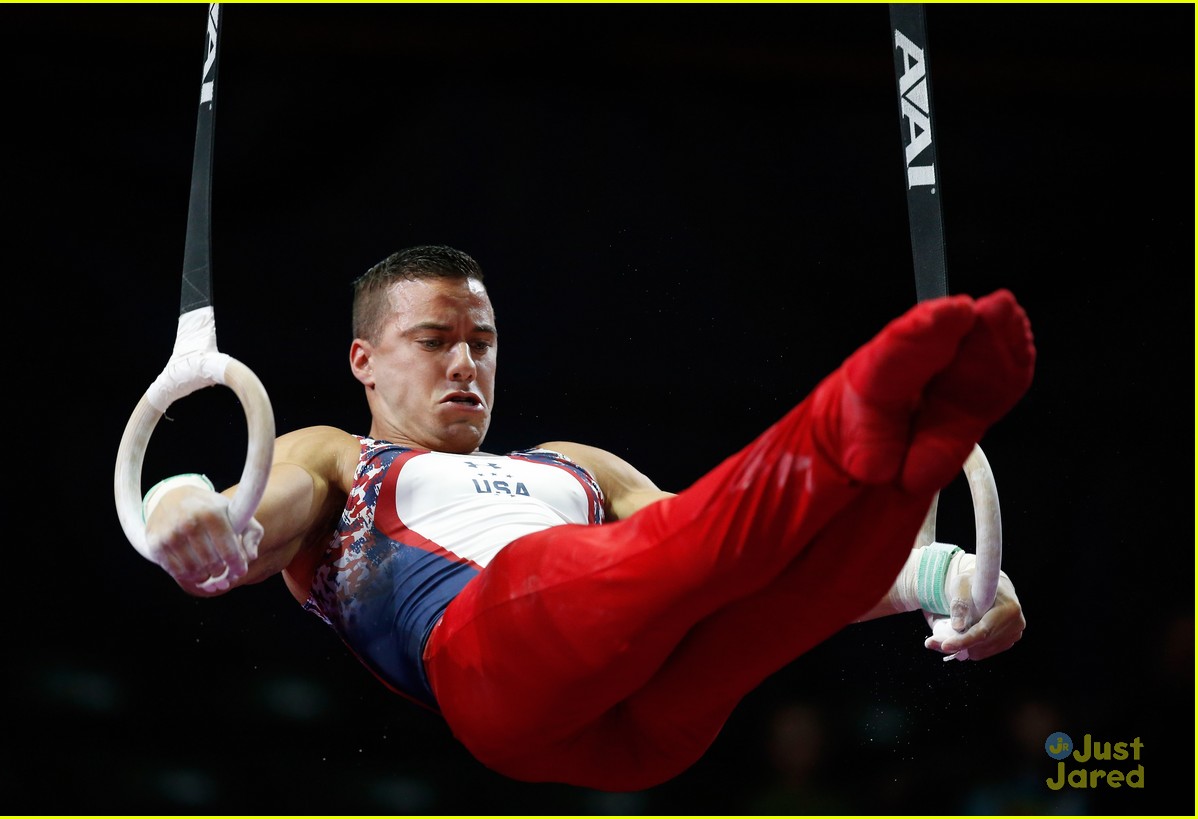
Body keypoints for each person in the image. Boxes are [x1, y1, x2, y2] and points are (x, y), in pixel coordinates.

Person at [140, 244, 1035, 792]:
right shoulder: (340, 456)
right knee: (633, 556)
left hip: (651, 719)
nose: (465, 364)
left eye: (481, 343)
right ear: (364, 360)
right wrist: (180, 504)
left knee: (757, 591)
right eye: (434, 340)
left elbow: (739, 550)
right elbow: (248, 516)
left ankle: (910, 476)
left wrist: (949, 579)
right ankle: (856, 418)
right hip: (495, 667)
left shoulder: (575, 465)